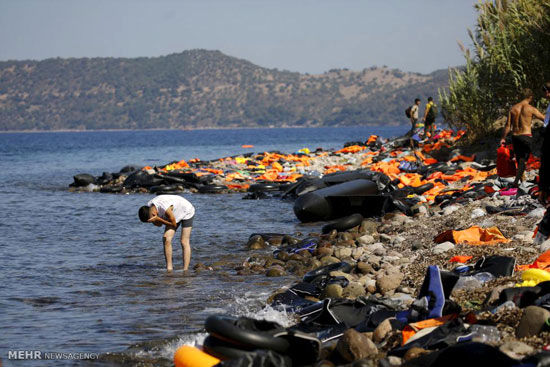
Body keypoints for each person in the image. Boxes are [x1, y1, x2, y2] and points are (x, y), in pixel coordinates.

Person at [500, 88, 546, 187]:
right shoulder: (530, 108)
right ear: (530, 97)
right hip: (526, 136)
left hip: (515, 136)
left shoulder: (513, 109)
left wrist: (503, 138)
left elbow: (507, 126)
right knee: (541, 155)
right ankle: (544, 180)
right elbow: (545, 119)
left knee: (521, 160)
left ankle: (516, 182)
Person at [138, 194, 195, 271]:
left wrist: (158, 218)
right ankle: (169, 268)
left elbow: (174, 224)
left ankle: (185, 270)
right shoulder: (150, 209)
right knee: (166, 238)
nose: (152, 221)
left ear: (151, 213)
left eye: (151, 220)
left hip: (186, 210)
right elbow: (159, 225)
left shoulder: (164, 208)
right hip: (173, 215)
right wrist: (156, 220)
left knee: (184, 241)